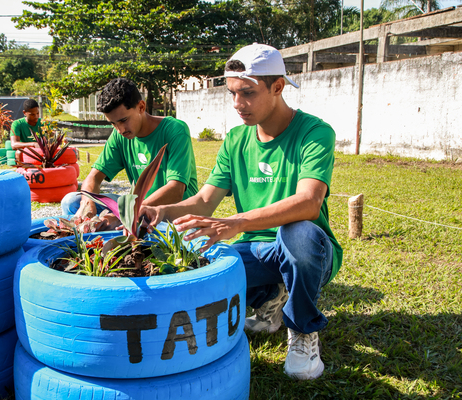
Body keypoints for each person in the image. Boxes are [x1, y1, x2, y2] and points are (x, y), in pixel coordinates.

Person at [141, 44, 343, 380]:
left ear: (277, 87)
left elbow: (309, 203)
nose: (237, 104)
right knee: (202, 263)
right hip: (258, 248)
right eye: (233, 93)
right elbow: (204, 200)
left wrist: (236, 222)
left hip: (309, 250)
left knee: (298, 233)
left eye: (247, 93)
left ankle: (303, 328)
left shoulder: (314, 132)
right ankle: (270, 302)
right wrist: (157, 211)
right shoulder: (236, 139)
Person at [60, 77, 198, 230]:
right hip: (138, 207)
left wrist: (124, 215)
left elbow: (176, 190)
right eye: (113, 123)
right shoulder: (120, 135)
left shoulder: (175, 130)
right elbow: (94, 177)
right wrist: (87, 206)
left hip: (174, 213)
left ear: (141, 107)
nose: (120, 129)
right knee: (72, 201)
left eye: (124, 120)